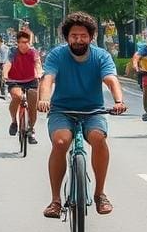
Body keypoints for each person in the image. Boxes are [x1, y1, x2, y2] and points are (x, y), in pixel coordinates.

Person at [37, 11, 127, 218]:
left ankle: (100, 194)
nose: (78, 40)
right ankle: (55, 200)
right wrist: (44, 99)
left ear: (91, 37)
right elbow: (48, 78)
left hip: (93, 110)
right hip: (62, 110)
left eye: (83, 36)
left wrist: (119, 101)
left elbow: (111, 79)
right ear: (67, 37)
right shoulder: (57, 55)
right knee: (61, 142)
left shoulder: (101, 56)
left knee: (98, 138)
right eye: (74, 36)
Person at [4, 29, 43, 144]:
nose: (24, 45)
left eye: (26, 42)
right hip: (14, 80)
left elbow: (37, 63)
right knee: (17, 96)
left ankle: (31, 130)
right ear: (18, 43)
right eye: (21, 42)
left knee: (32, 104)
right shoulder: (12, 52)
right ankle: (14, 122)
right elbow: (8, 64)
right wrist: (5, 74)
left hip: (31, 79)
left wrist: (39, 73)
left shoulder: (33, 52)